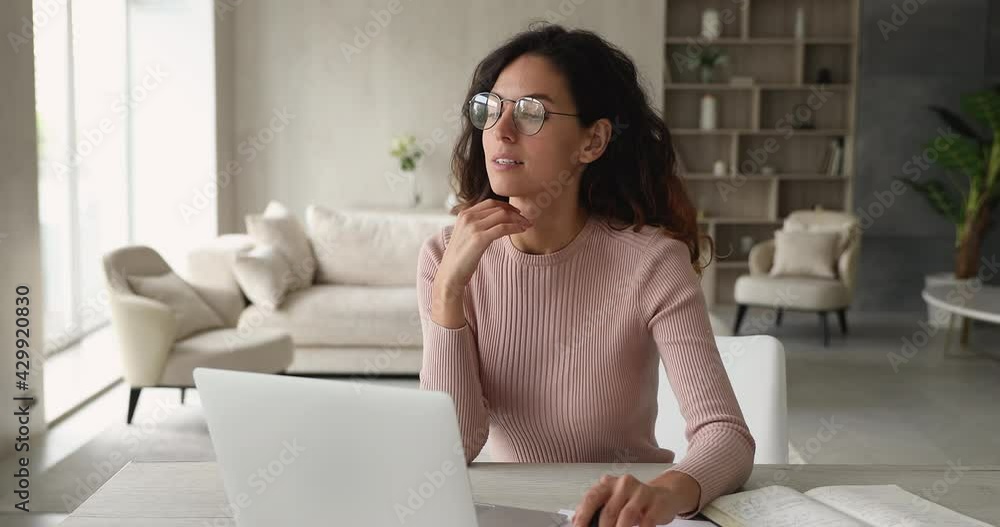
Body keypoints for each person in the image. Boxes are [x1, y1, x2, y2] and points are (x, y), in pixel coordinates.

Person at [417, 24, 754, 526]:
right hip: (512, 514)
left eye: (532, 112)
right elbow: (453, 449)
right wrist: (449, 291)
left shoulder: (652, 261)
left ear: (593, 141)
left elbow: (725, 433)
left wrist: (662, 495)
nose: (501, 131)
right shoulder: (445, 256)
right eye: (492, 107)